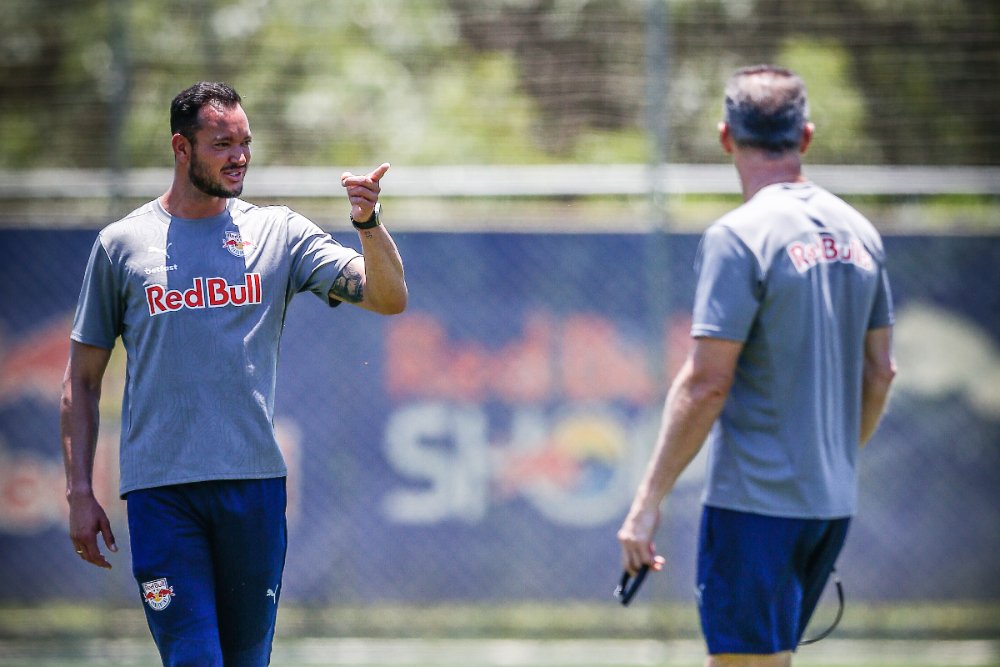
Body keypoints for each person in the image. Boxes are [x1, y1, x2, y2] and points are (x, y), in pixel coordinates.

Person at [60, 81, 407, 666]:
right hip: (160, 494)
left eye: (245, 142)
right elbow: (82, 381)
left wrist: (368, 222)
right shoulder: (121, 246)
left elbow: (388, 297)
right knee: (194, 658)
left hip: (253, 489)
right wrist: (78, 491)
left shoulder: (279, 234)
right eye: (222, 143)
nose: (239, 155)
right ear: (181, 147)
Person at [617, 65, 896, 666]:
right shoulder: (861, 234)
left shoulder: (738, 236)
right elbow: (881, 373)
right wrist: (838, 459)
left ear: (725, 137)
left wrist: (646, 505)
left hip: (756, 509)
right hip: (830, 504)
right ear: (807, 137)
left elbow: (706, 383)